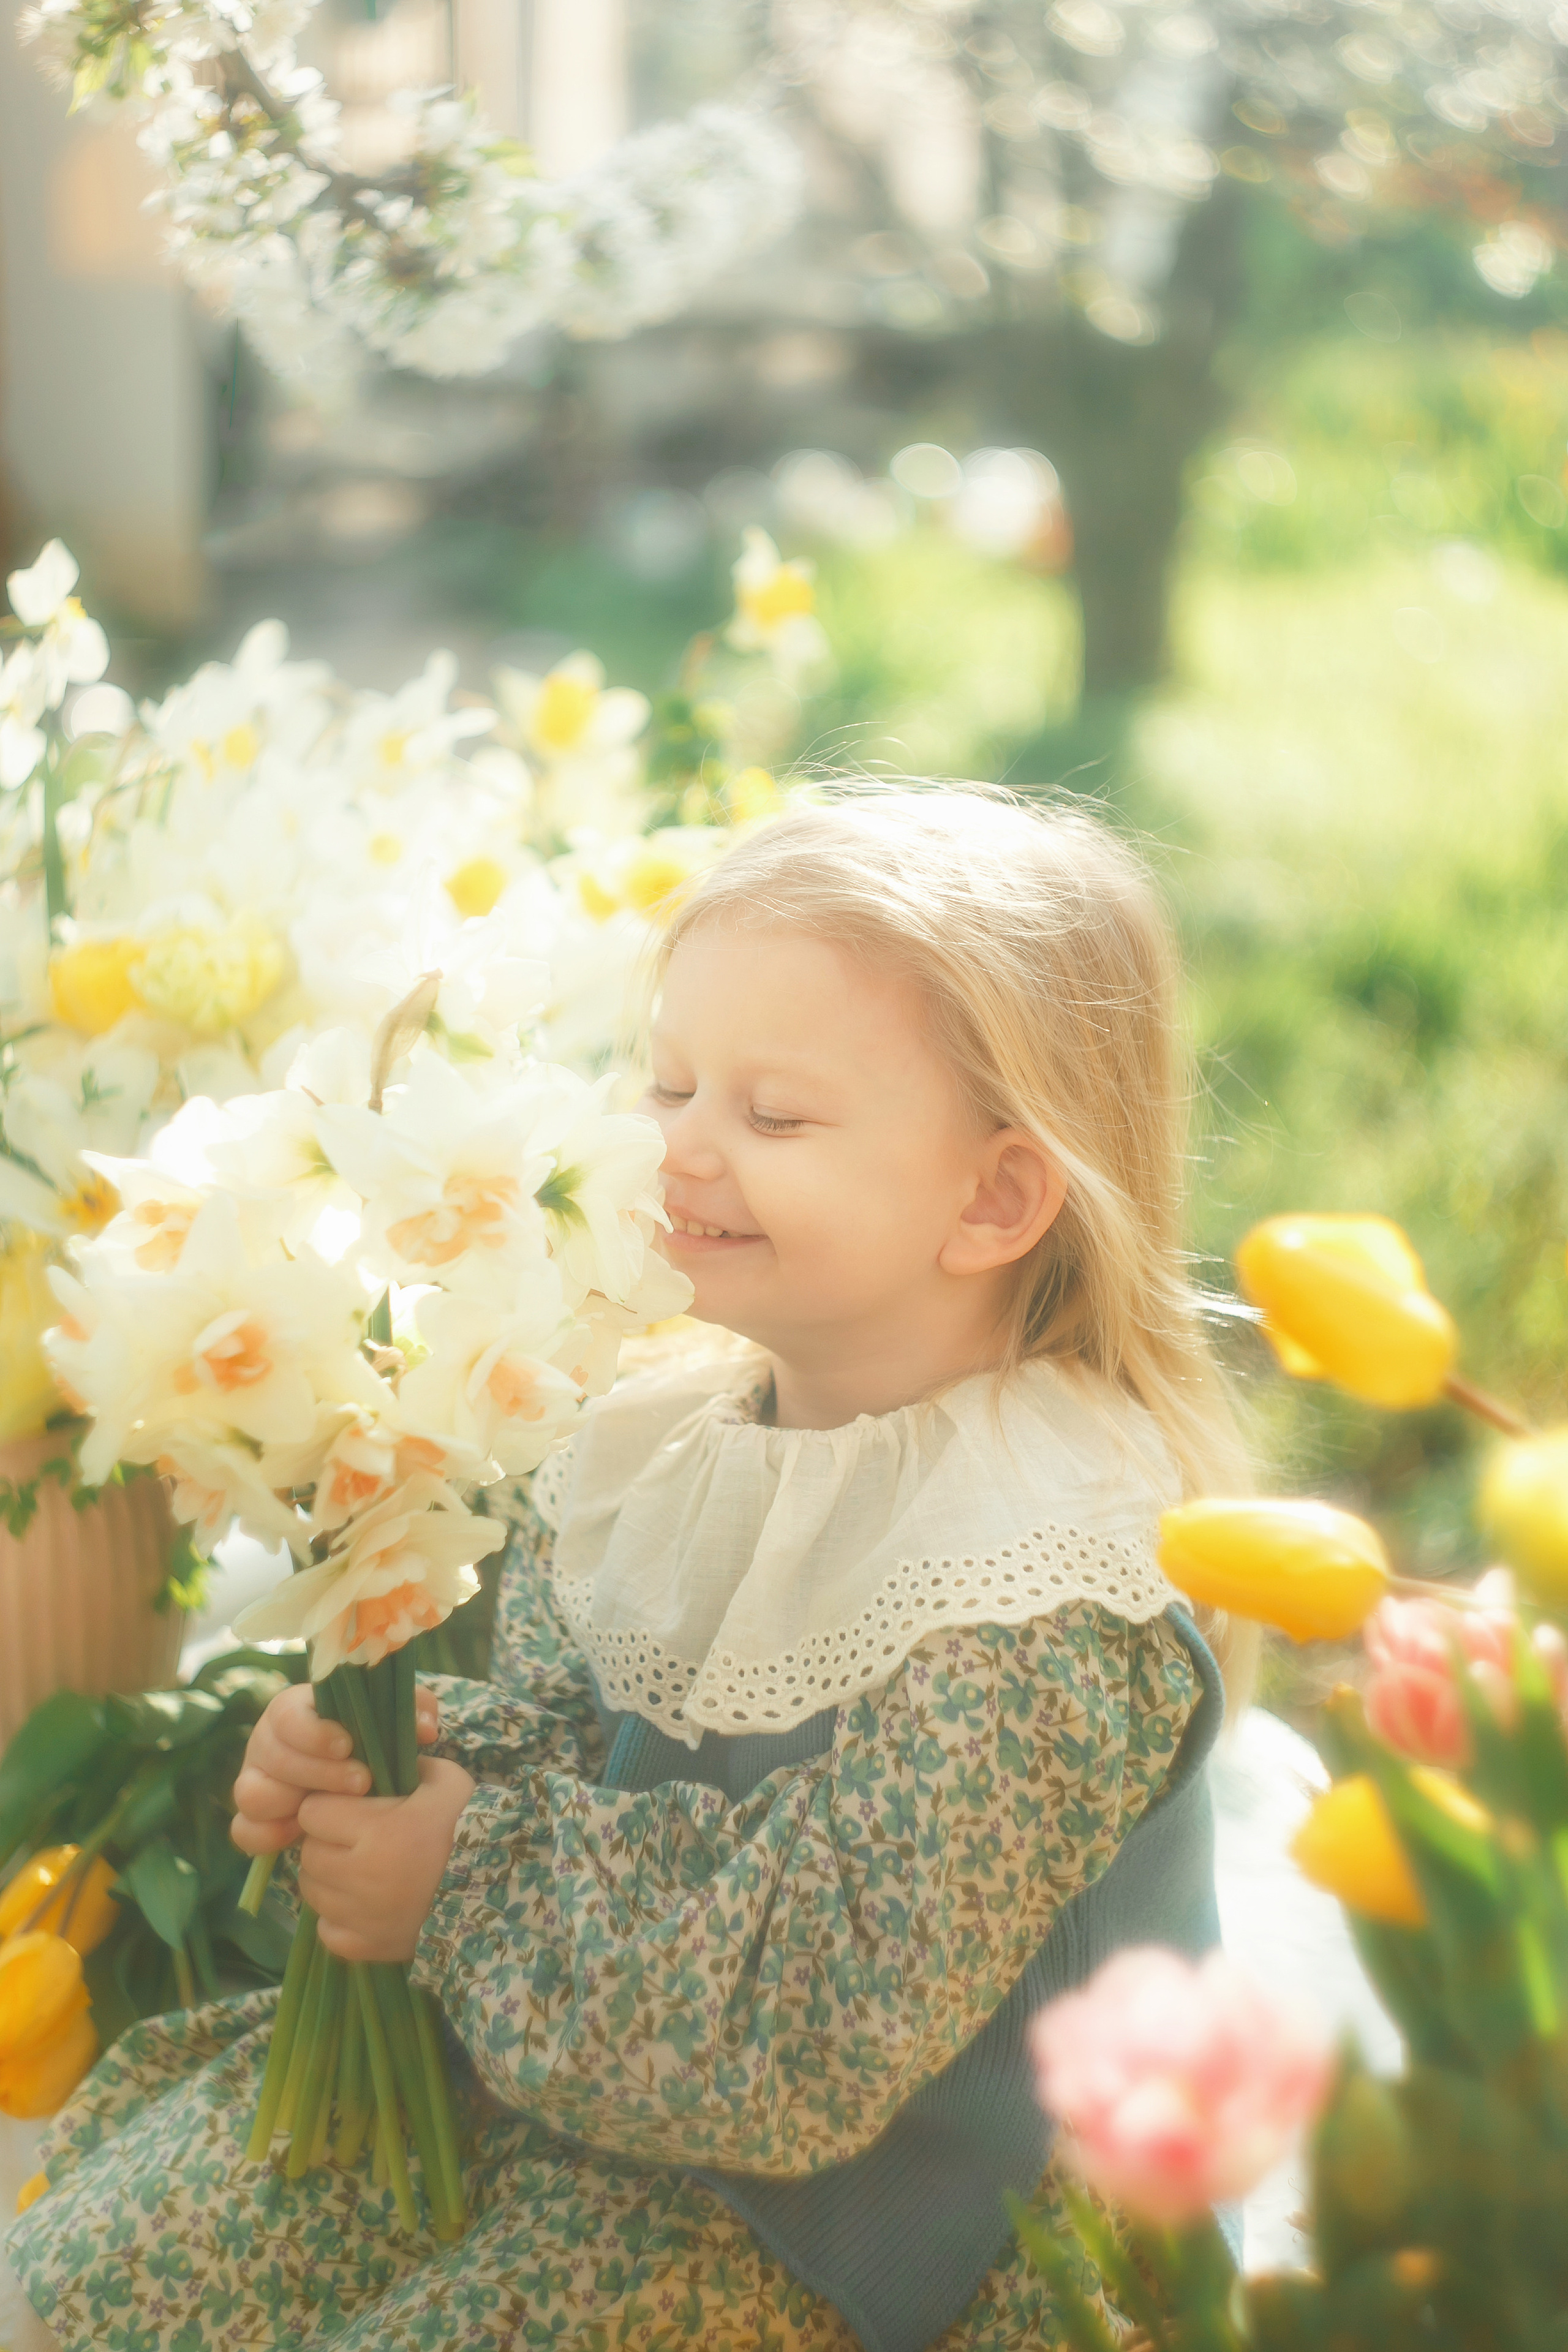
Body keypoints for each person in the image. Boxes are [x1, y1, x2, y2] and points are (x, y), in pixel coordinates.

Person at [6, 788, 1252, 2352]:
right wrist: (387, 1772)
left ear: (993, 1198)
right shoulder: (669, 1432)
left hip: (882, 2230)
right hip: (589, 2074)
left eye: (769, 1115)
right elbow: (565, 1739)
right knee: (105, 2273)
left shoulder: (1045, 1582)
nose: (673, 1148)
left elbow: (810, 2032)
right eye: (665, 1085)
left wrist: (455, 1878)